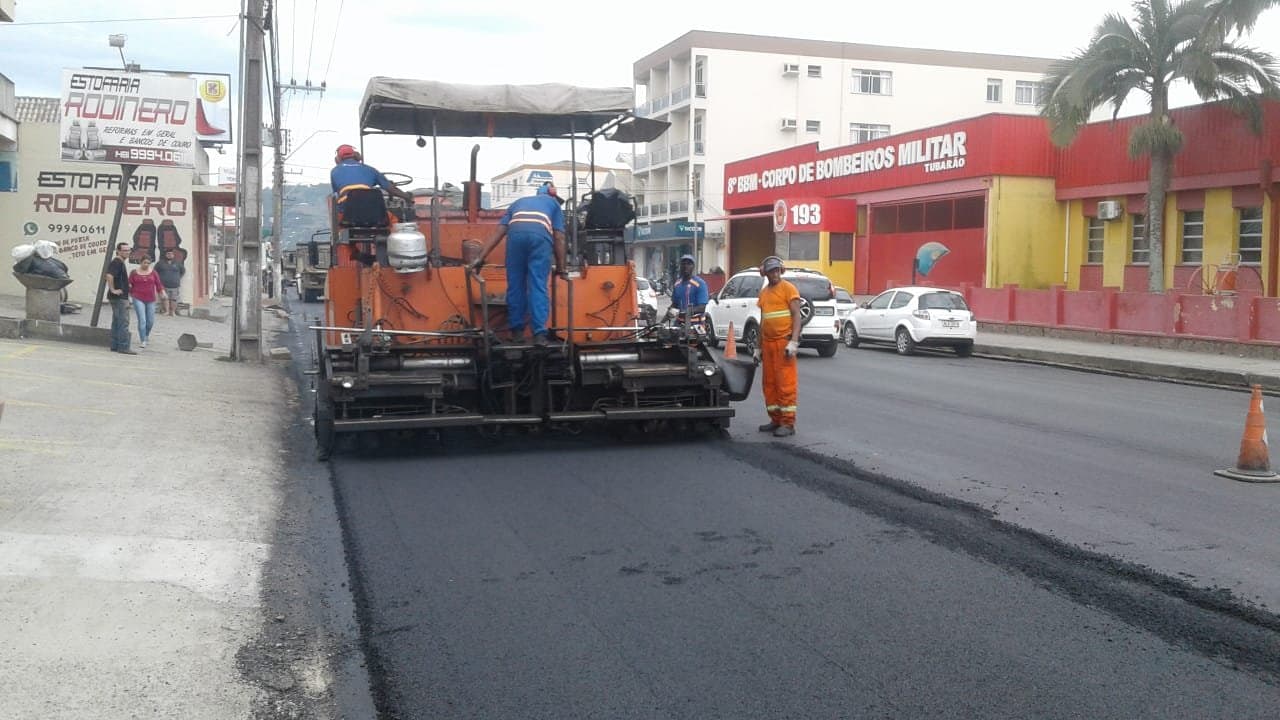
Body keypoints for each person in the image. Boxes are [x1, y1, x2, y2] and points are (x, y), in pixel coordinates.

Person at [471, 182, 566, 345]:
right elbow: (559, 237)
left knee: (515, 285)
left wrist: (480, 257)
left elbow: (499, 232)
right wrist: (562, 268)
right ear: (552, 195)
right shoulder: (553, 204)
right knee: (537, 284)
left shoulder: (518, 203)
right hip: (539, 239)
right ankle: (539, 335)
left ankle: (517, 333)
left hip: (515, 238)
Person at [754, 255, 803, 437]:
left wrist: (794, 341)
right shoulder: (764, 293)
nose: (774, 274)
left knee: (785, 383)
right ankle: (775, 419)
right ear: (765, 273)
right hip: (768, 344)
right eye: (771, 271)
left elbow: (797, 316)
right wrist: (758, 348)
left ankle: (788, 423)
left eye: (776, 270)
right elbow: (763, 321)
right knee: (770, 383)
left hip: (783, 343)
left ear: (781, 270)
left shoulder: (789, 289)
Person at [329, 144, 414, 218]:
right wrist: (407, 197)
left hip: (347, 212)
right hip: (371, 209)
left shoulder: (334, 171)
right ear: (357, 156)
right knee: (393, 219)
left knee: (339, 212)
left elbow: (336, 194)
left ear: (338, 159)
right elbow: (391, 189)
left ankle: (341, 234)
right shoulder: (370, 170)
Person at [104, 242, 136, 355]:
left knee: (117, 321)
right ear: (118, 251)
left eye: (128, 250)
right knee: (123, 321)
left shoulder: (120, 262)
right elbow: (109, 275)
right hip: (119, 297)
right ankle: (123, 346)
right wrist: (113, 289)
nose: (127, 252)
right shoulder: (117, 262)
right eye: (124, 250)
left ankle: (114, 345)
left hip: (118, 297)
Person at [128, 256, 166, 348]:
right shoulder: (134, 272)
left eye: (148, 263)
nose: (146, 265)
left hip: (150, 299)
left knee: (150, 321)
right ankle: (143, 340)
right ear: (140, 262)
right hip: (137, 297)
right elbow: (129, 284)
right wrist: (128, 295)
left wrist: (162, 292)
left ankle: (146, 335)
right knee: (142, 320)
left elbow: (158, 284)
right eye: (144, 262)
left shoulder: (153, 273)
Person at [665, 254, 708, 323]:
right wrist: (661, 323)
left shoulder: (700, 284)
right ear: (680, 266)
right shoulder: (677, 284)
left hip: (696, 325)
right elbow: (675, 305)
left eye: (689, 264)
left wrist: (685, 312)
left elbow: (702, 307)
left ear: (693, 266)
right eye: (683, 264)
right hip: (680, 323)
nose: (686, 266)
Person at [154, 248, 185, 316]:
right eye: (168, 254)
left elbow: (183, 271)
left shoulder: (178, 263)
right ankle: (166, 311)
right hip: (163, 285)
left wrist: (177, 278)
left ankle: (172, 312)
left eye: (171, 254)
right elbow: (155, 272)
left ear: (173, 255)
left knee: (174, 299)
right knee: (165, 298)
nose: (170, 255)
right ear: (165, 255)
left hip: (175, 285)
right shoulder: (160, 263)